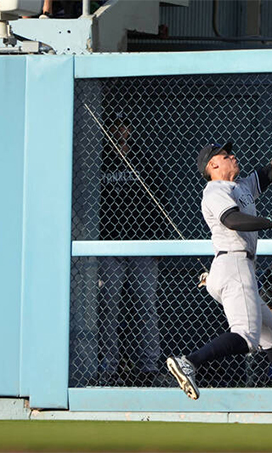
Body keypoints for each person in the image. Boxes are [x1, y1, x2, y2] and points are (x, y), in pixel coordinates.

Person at [166, 123, 272, 417]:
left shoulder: (239, 186)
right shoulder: (215, 190)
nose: (233, 156)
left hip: (232, 267)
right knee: (246, 337)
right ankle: (189, 362)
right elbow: (232, 220)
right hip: (233, 264)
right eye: (226, 155)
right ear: (213, 164)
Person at [98, 112, 165, 387]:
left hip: (141, 243)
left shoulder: (143, 161)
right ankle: (107, 366)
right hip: (108, 244)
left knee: (145, 304)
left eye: (125, 129)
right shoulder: (99, 160)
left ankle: (149, 366)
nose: (121, 135)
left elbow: (158, 200)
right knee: (107, 305)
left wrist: (156, 240)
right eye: (116, 129)